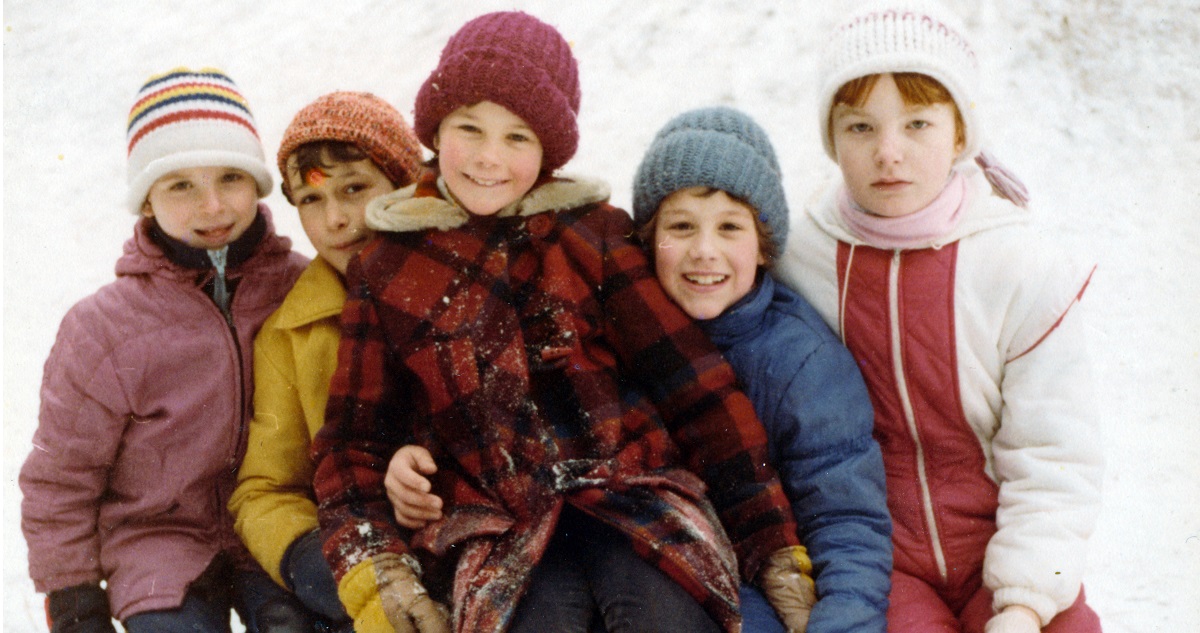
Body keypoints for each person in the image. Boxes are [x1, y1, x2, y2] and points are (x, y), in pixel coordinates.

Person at [312, 11, 814, 633]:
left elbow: (697, 391)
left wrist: (774, 550)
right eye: (470, 128)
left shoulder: (592, 235)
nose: (490, 158)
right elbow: (350, 447)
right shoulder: (386, 269)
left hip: (637, 503)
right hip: (498, 531)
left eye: (518, 138)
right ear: (436, 130)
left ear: (548, 149)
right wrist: (384, 575)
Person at [773, 2, 1105, 632]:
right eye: (861, 128)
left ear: (959, 134)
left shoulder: (1014, 264)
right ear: (832, 139)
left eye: (918, 124)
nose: (888, 153)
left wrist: (1026, 603)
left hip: (1005, 547)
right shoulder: (801, 254)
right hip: (882, 559)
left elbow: (1054, 454)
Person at [19, 68, 310, 633]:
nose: (212, 205)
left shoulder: (304, 291)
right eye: (180, 184)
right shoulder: (104, 328)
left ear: (257, 184)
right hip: (157, 543)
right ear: (146, 202)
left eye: (231, 177)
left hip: (279, 529)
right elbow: (62, 477)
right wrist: (72, 593)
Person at [630, 106, 893, 632]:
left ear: (763, 244)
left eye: (730, 227)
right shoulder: (624, 332)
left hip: (761, 583)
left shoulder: (799, 360)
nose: (705, 252)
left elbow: (846, 519)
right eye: (681, 226)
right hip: (648, 571)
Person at [227, 91, 426, 633]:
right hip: (360, 563)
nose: (335, 220)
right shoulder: (290, 333)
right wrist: (321, 563)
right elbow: (265, 491)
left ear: (407, 184)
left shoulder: (467, 283)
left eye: (354, 189)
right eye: (311, 201)